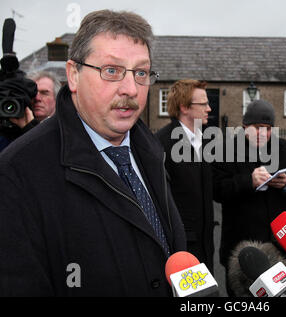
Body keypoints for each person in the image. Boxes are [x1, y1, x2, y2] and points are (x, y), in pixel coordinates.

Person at [0, 10, 186, 296]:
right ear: (73, 75)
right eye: (111, 70)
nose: (130, 89)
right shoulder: (17, 173)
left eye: (141, 73)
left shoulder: (152, 151)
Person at [212, 99, 286, 296]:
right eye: (256, 128)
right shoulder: (225, 149)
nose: (262, 133)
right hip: (240, 244)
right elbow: (217, 190)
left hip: (277, 244)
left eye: (267, 128)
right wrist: (249, 181)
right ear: (244, 127)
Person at [156, 79, 215, 272]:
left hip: (207, 244)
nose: (209, 108)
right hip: (180, 248)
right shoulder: (161, 143)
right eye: (203, 103)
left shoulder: (207, 140)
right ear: (184, 107)